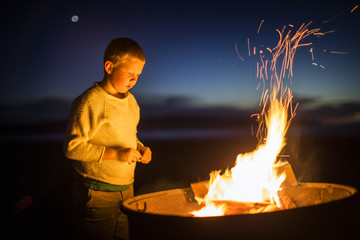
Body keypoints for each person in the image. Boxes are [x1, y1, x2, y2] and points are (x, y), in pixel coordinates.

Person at [63, 38, 152, 240]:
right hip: (96, 193)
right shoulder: (90, 101)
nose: (134, 79)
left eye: (138, 75)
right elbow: (72, 147)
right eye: (130, 73)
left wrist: (140, 147)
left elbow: (129, 133)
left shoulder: (132, 102)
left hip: (126, 190)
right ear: (109, 66)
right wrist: (117, 154)